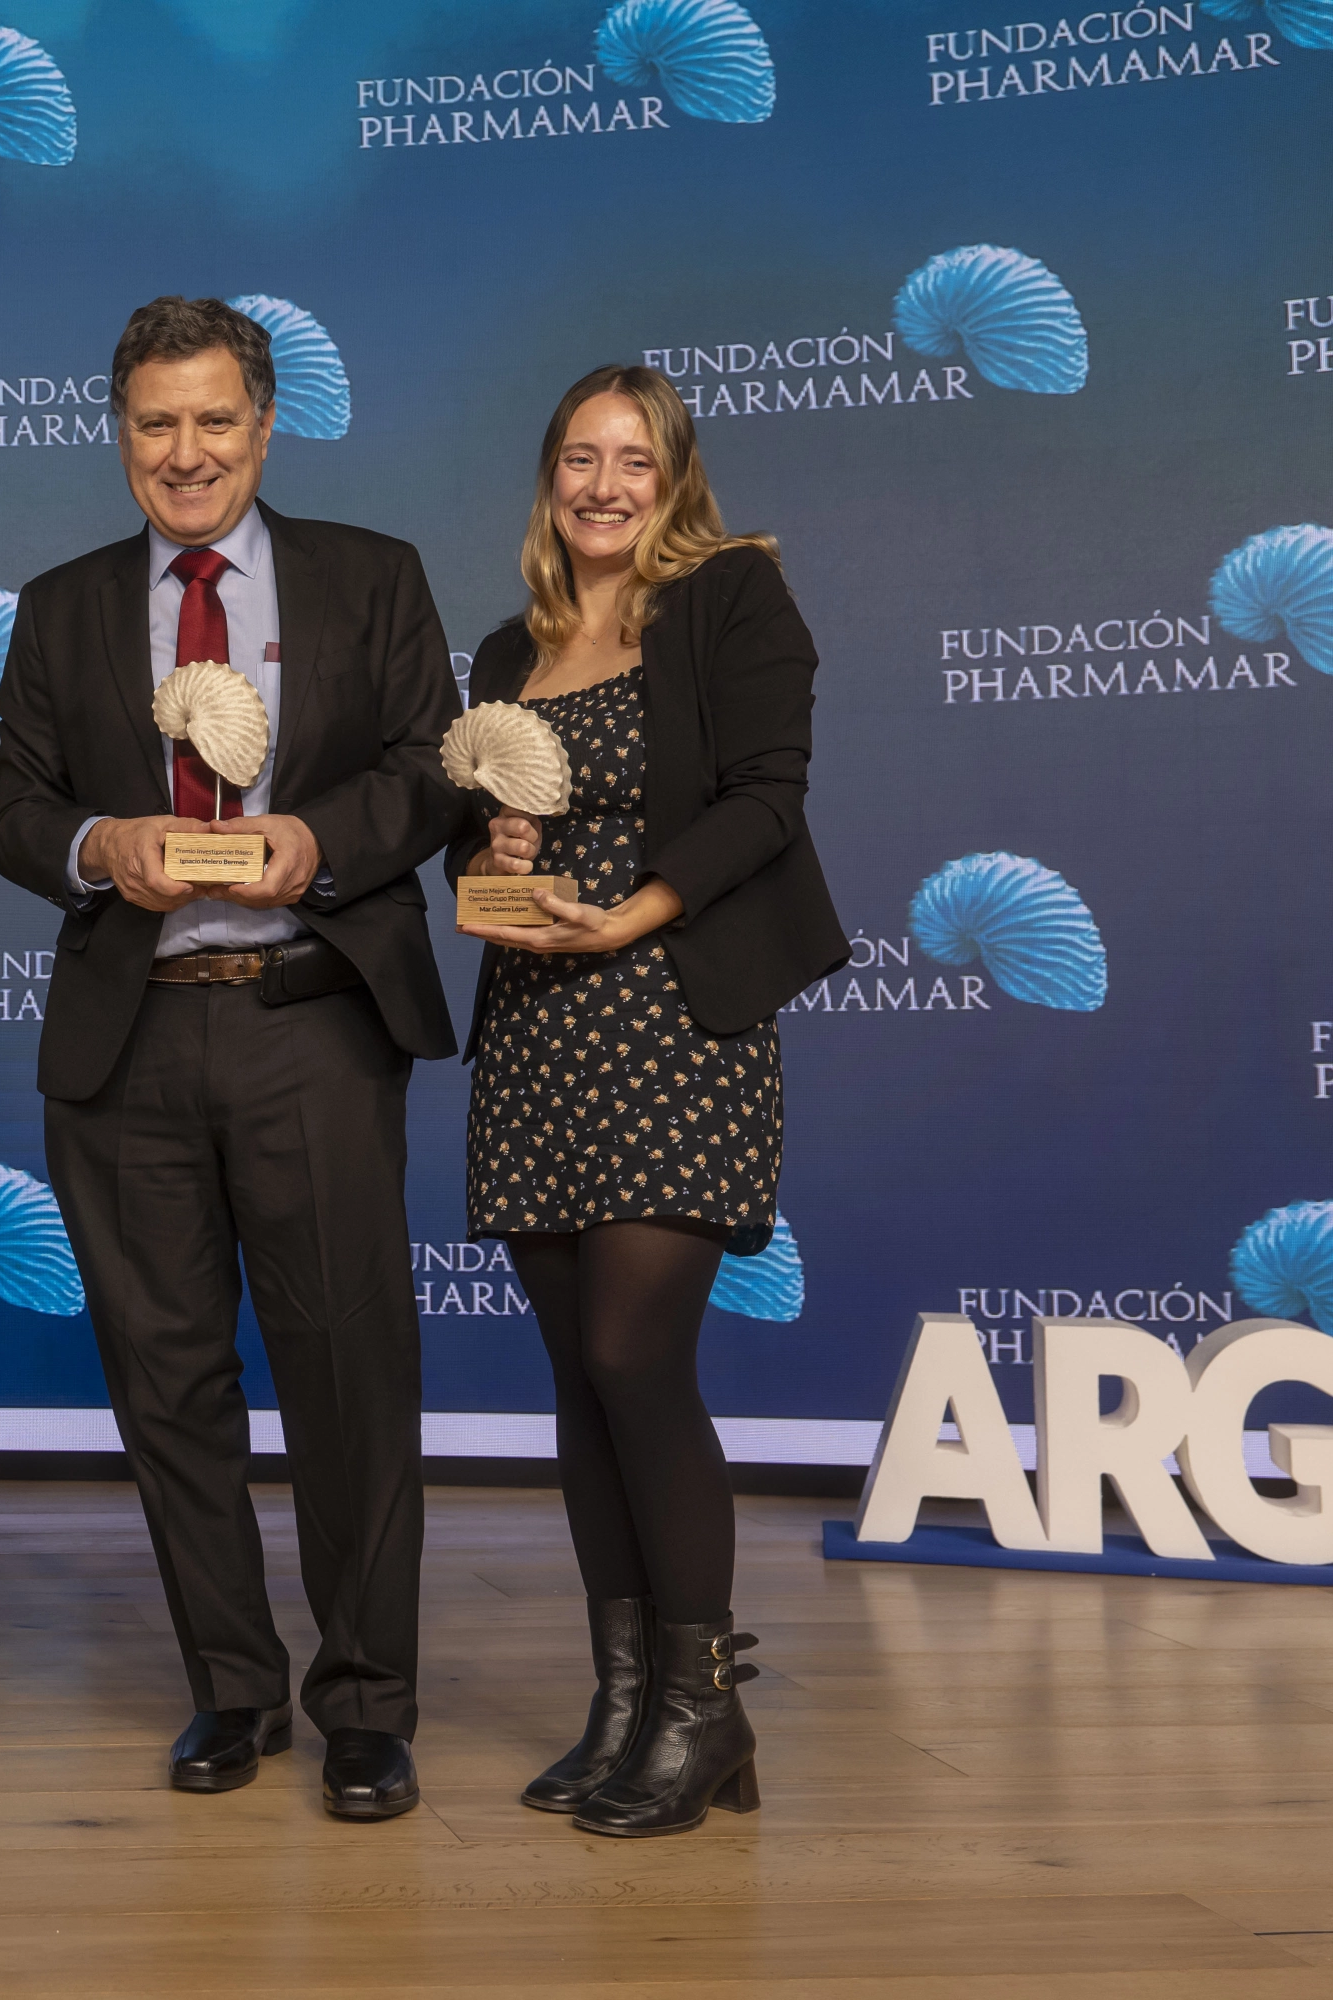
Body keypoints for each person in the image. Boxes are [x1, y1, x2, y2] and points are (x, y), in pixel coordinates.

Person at [0, 297, 462, 1820]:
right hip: (131, 1043)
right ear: (118, 436)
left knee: (349, 1372)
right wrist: (90, 842)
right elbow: (11, 808)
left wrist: (320, 841)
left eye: (212, 421)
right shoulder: (60, 609)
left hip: (312, 1018)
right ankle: (231, 1688)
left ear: (265, 425)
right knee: (168, 1384)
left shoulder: (371, 577)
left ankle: (368, 1705)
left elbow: (430, 775)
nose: (183, 453)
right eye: (153, 424)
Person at [452, 364, 844, 1837]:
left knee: (635, 1359)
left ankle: (704, 1706)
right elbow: (468, 863)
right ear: (549, 479)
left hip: (674, 1018)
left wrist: (633, 913)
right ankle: (624, 1703)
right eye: (577, 458)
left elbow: (769, 795)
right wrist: (489, 848)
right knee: (577, 1384)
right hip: (540, 1036)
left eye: (633, 460)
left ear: (675, 478)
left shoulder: (733, 601)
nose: (603, 485)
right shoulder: (509, 650)